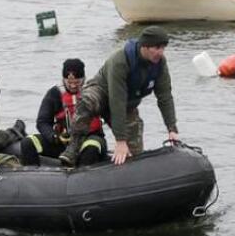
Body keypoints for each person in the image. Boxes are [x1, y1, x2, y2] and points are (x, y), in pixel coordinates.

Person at [58, 27, 179, 167]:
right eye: (157, 48)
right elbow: (117, 100)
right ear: (144, 46)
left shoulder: (160, 64)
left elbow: (165, 96)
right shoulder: (121, 61)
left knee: (135, 154)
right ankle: (74, 147)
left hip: (127, 104)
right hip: (103, 93)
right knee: (88, 101)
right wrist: (120, 141)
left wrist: (172, 128)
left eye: (163, 48)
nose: (160, 52)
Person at [21, 58, 106, 166]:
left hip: (90, 138)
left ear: (84, 79)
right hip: (63, 142)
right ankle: (34, 177)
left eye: (77, 82)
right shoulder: (54, 94)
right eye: (69, 82)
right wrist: (53, 136)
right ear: (63, 79)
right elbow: (42, 122)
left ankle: (82, 178)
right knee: (28, 142)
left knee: (91, 148)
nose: (73, 86)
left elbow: (111, 117)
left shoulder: (94, 93)